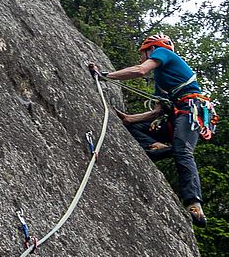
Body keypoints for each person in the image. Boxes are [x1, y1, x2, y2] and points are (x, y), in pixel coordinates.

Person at [89, 34, 208, 227]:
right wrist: (129, 119)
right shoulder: (161, 82)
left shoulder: (164, 53)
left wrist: (104, 76)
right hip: (175, 118)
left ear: (151, 49)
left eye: (142, 53)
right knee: (135, 127)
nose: (141, 58)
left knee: (183, 151)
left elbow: (140, 71)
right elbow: (157, 112)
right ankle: (156, 146)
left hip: (190, 111)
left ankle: (194, 203)